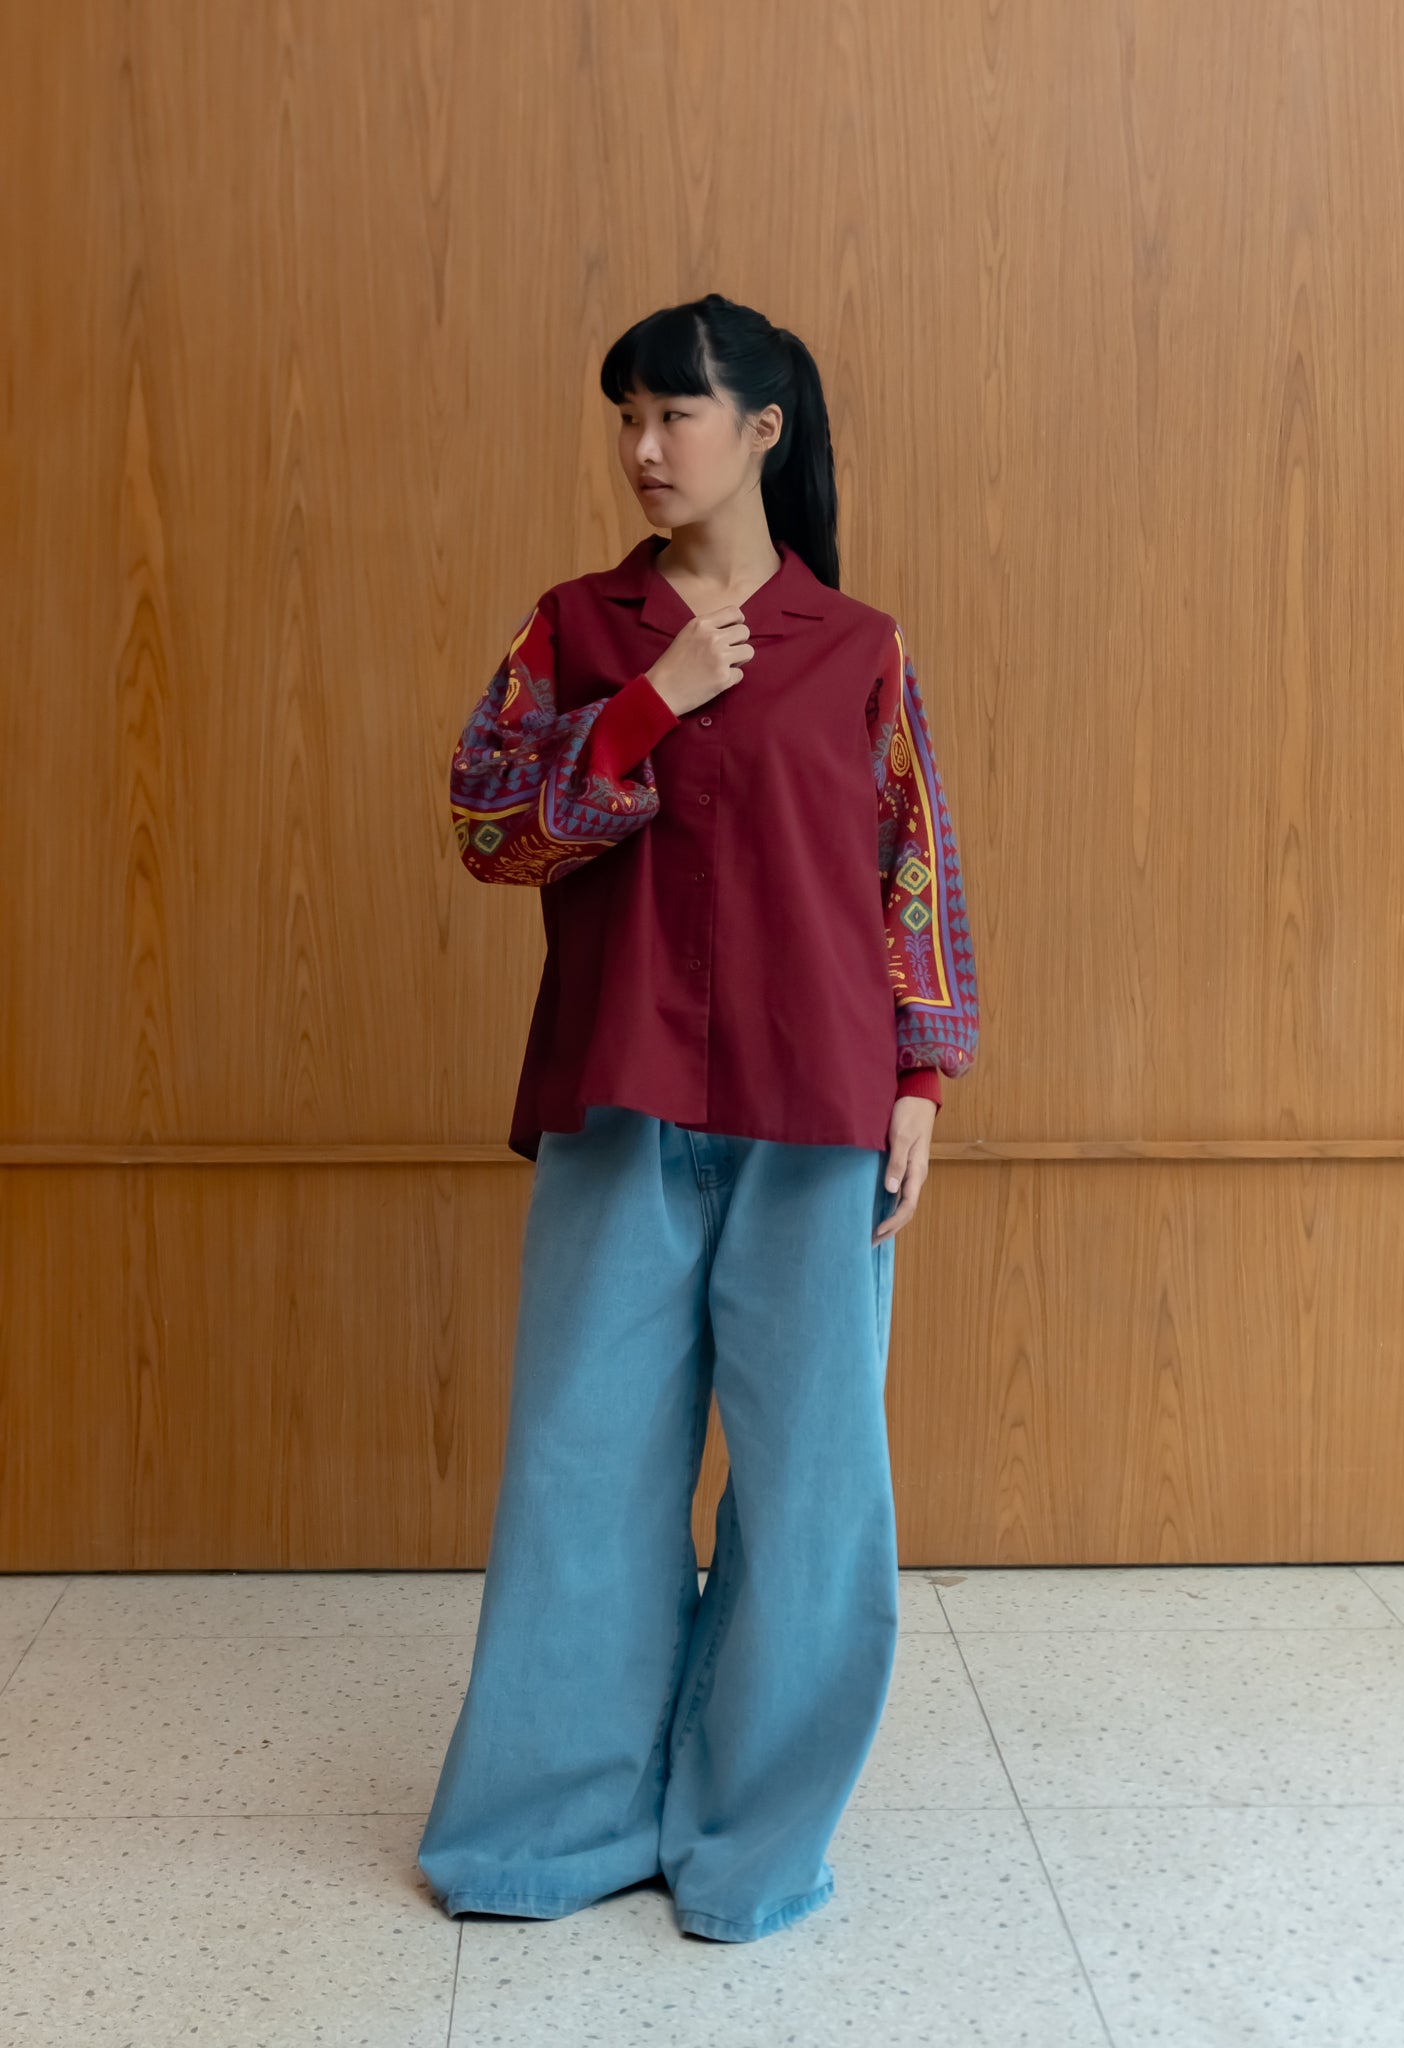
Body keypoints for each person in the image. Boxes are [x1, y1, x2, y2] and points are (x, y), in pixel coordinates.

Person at [417, 291, 979, 1944]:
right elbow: (487, 827)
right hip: (623, 1099)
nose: (644, 446)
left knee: (812, 1495)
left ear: (762, 433)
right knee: (583, 1470)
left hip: (821, 1111)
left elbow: (916, 865)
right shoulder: (577, 628)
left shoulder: (858, 645)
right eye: (629, 416)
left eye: (674, 413)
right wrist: (649, 700)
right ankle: (552, 1829)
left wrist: (922, 1078)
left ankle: (749, 1842)